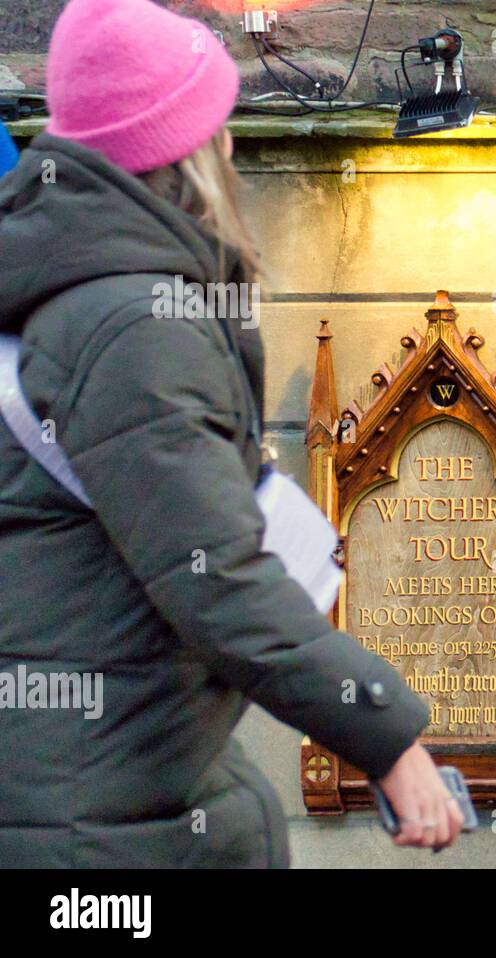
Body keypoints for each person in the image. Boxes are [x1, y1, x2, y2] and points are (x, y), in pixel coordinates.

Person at [0, 0, 461, 866]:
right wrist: (390, 742)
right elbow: (220, 582)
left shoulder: (73, 289)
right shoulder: (130, 323)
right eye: (218, 122)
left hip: (111, 789)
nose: (234, 146)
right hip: (101, 830)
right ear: (183, 148)